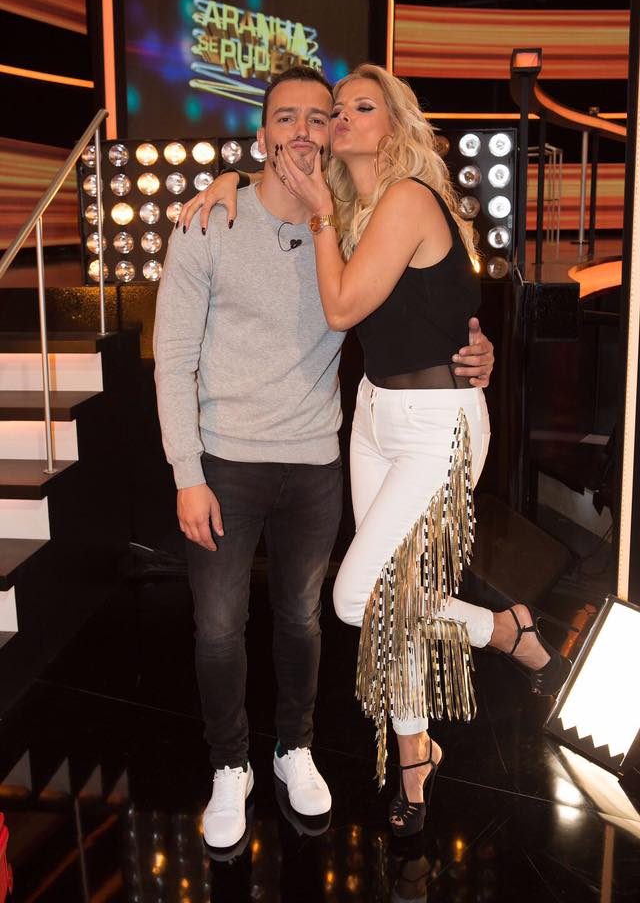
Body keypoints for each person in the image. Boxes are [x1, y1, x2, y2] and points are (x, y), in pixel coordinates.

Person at [183, 64, 571, 838]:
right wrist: (228, 180)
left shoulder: (403, 199)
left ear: (394, 123)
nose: (339, 118)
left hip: (436, 424)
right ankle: (414, 754)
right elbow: (273, 180)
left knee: (358, 597)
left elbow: (341, 308)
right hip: (372, 417)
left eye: (362, 107)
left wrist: (323, 216)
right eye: (336, 109)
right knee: (398, 597)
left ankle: (506, 632)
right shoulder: (352, 204)